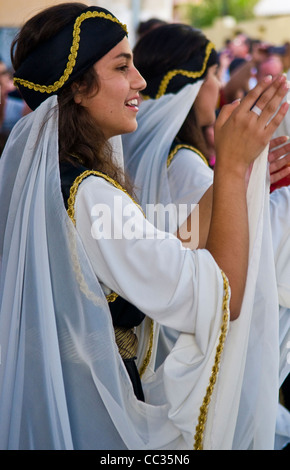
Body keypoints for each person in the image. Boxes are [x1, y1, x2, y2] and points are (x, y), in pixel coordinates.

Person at [0, 3, 288, 450]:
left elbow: (162, 251)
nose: (139, 81)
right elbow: (222, 297)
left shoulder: (60, 177)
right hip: (96, 420)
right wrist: (229, 170)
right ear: (77, 87)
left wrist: (238, 178)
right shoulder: (88, 192)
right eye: (122, 66)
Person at [122, 23, 290, 450]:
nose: (219, 86)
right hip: (199, 348)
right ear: (187, 85)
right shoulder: (189, 168)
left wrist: (242, 179)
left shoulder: (170, 159)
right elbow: (258, 258)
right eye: (213, 74)